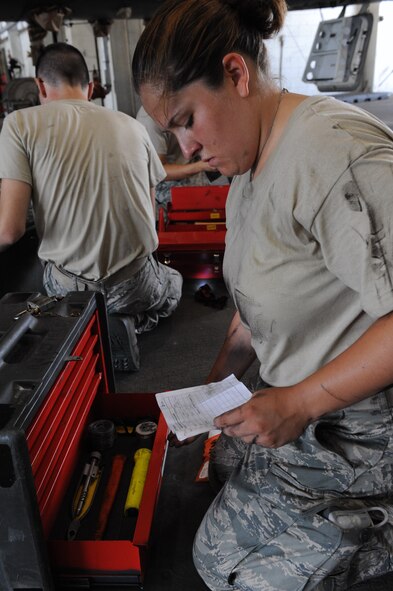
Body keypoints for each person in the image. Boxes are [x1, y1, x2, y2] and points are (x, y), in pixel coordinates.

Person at [132, 0, 393, 588]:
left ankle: (380, 523)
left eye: (186, 119)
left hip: (361, 420)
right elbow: (257, 299)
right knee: (224, 462)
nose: (185, 150)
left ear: (237, 74)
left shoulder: (335, 158)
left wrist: (299, 403)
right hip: (296, 387)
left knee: (225, 563)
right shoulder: (249, 166)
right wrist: (214, 386)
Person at [0, 42, 182, 371]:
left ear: (40, 85)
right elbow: (151, 204)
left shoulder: (19, 124)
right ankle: (132, 321)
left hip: (69, 287)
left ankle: (88, 326)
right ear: (92, 87)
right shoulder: (133, 125)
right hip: (133, 282)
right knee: (173, 283)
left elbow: (10, 230)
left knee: (47, 280)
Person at [136, 105, 227, 213]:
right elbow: (158, 171)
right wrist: (200, 166)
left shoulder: (188, 104)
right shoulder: (150, 119)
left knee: (221, 203)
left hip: (194, 168)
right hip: (163, 184)